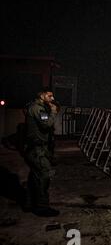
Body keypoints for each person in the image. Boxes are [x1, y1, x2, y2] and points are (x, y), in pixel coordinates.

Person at [23, 87, 60, 217]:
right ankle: (42, 207)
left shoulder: (36, 107)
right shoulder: (38, 109)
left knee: (34, 176)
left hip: (35, 148)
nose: (52, 99)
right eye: (50, 96)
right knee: (44, 176)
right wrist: (53, 112)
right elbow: (46, 124)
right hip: (36, 150)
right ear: (42, 95)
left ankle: (29, 203)